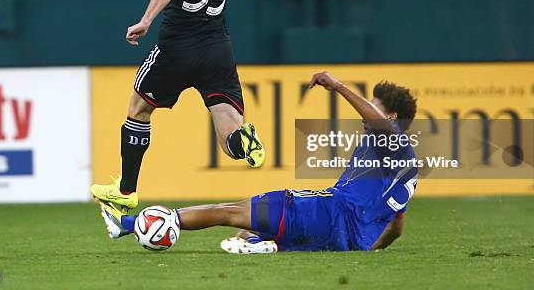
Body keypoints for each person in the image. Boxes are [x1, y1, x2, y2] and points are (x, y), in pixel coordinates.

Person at [97, 72, 419, 253]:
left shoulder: (394, 143)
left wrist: (338, 87)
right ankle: (258, 245)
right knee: (252, 226)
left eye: (373, 107)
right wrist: (370, 250)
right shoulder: (408, 167)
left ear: (390, 116)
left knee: (230, 211)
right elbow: (398, 227)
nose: (366, 114)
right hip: (341, 240)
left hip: (325, 211)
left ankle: (125, 225)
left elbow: (380, 126)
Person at [90, 0, 267, 210]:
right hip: (218, 51)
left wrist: (146, 20)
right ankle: (244, 142)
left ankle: (127, 191)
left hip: (177, 48)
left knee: (139, 108)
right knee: (229, 132)